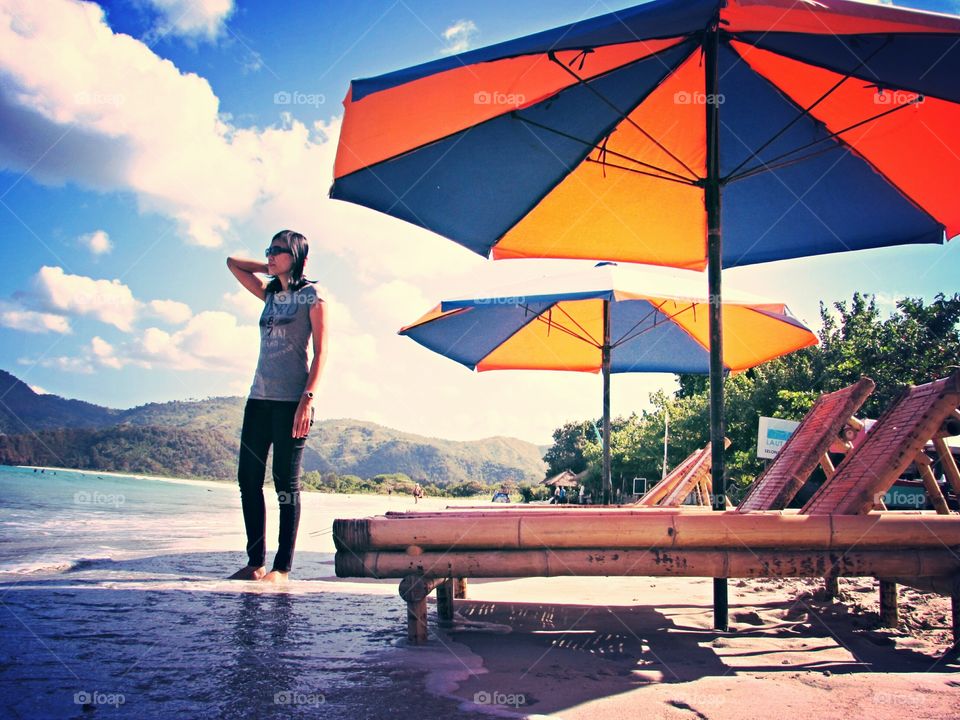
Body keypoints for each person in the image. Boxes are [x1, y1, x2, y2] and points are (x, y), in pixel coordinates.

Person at [226, 230, 326, 583]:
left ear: (298, 256)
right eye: (269, 249)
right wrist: (273, 266)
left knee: (286, 484)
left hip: (291, 403)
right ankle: (255, 563)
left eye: (279, 251)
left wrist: (307, 400)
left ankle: (282, 568)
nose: (270, 255)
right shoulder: (269, 293)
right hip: (259, 399)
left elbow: (321, 353)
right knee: (248, 481)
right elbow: (232, 263)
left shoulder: (311, 297)